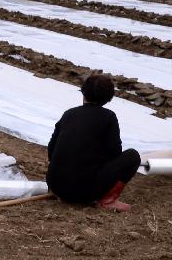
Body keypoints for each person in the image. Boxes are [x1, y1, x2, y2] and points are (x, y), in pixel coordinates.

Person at [46, 75, 141, 212]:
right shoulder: (108, 117)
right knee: (132, 156)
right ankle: (107, 200)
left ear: (83, 92)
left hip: (55, 185)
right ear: (108, 98)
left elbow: (51, 149)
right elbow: (114, 153)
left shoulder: (69, 114)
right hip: (85, 192)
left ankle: (64, 184)